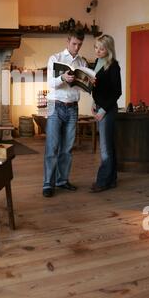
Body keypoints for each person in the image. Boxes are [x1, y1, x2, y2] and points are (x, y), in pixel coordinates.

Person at [43, 30, 87, 197]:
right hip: (55, 105)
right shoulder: (55, 59)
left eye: (80, 44)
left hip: (73, 107)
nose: (77, 47)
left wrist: (89, 83)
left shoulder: (82, 62)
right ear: (68, 41)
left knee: (67, 148)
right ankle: (48, 183)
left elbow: (83, 86)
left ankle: (62, 180)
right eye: (74, 43)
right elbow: (50, 83)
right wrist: (62, 78)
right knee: (52, 147)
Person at [90, 34, 122, 192]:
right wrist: (93, 102)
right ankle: (112, 179)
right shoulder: (97, 62)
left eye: (101, 48)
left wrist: (102, 110)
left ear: (108, 49)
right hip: (99, 107)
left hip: (107, 110)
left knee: (105, 148)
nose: (98, 51)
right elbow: (98, 88)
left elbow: (117, 92)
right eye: (96, 47)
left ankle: (102, 181)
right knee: (109, 145)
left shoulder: (114, 65)